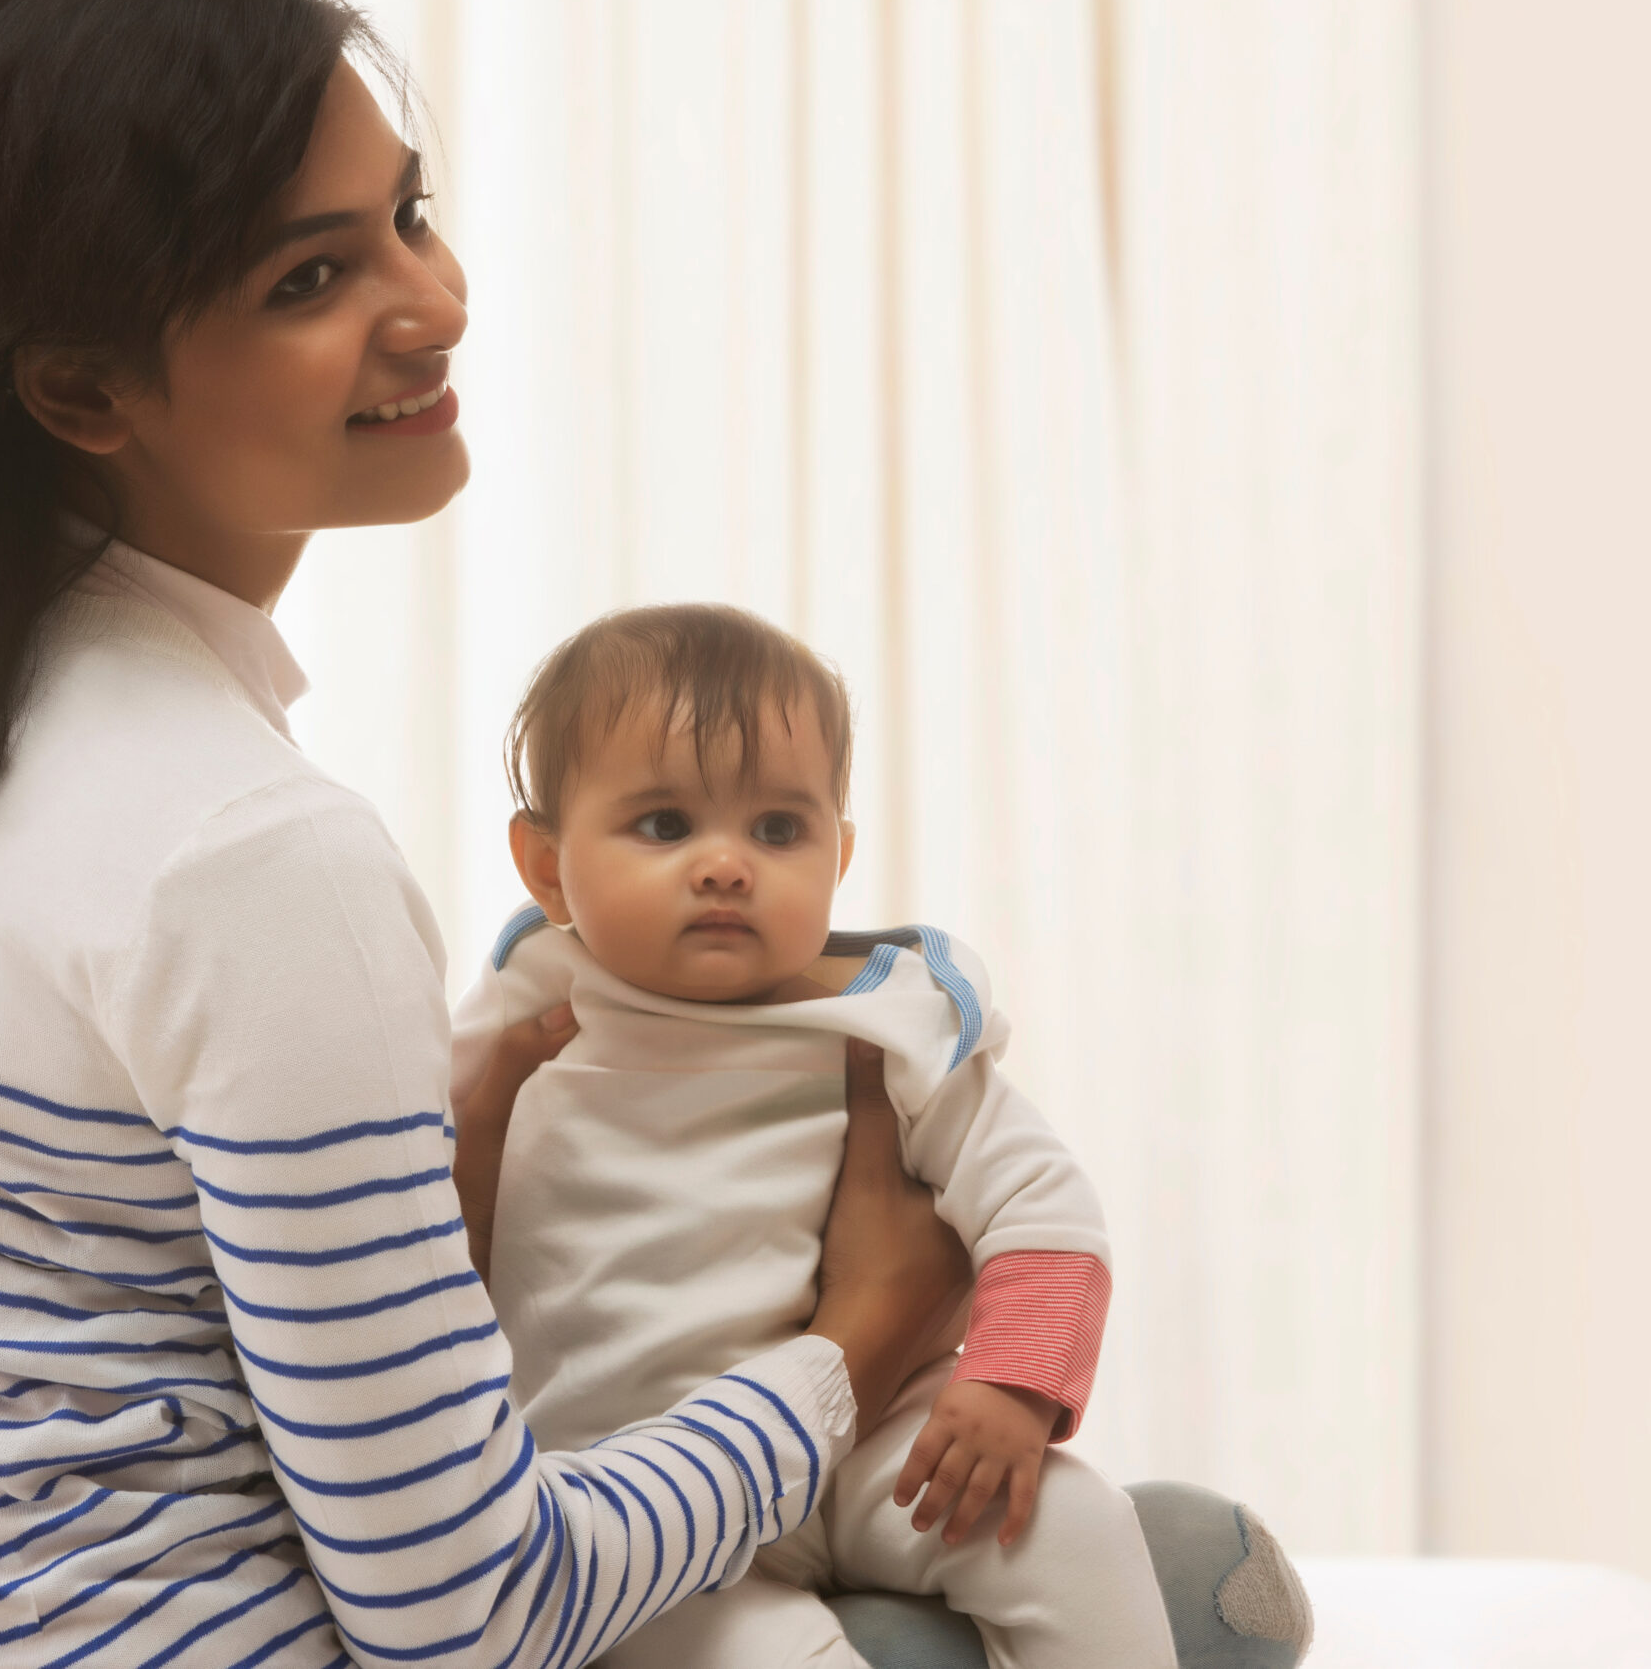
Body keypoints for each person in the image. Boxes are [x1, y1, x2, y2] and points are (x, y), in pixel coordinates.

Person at [0, 0, 971, 1664]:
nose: (434, 300)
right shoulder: (250, 851)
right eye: (314, 274)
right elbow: (468, 1615)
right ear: (79, 391)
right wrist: (852, 1343)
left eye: (409, 216)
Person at [447, 604, 1176, 1668]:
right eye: (663, 825)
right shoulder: (524, 1008)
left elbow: (1045, 1207)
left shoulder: (894, 1021)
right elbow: (386, 1188)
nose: (725, 865)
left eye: (777, 830)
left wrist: (1013, 1386)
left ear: (837, 855)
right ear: (547, 866)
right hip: (640, 1496)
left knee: (1087, 1534)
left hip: (881, 1453)